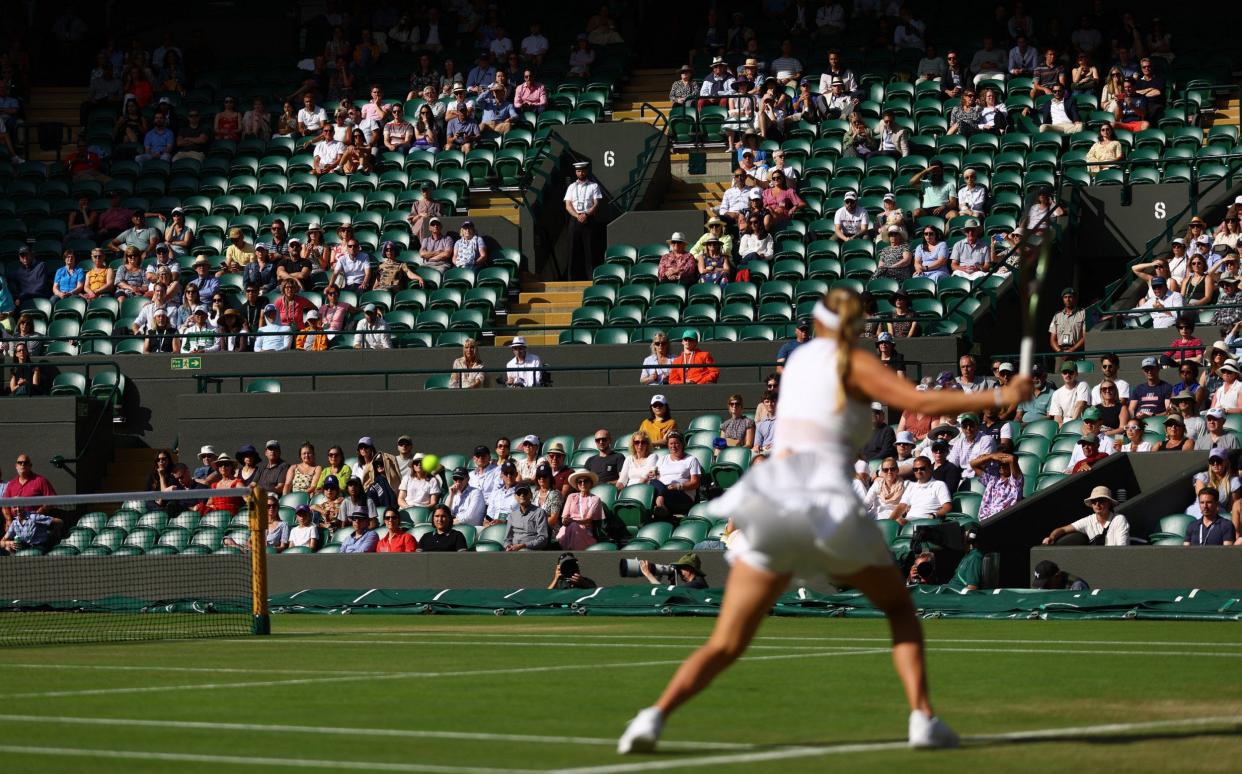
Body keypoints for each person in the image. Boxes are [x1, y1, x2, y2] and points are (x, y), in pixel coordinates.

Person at [1043, 486, 1130, 546]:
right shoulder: (1088, 520)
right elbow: (1063, 529)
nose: (1097, 504)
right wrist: (1051, 538)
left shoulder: (1119, 519)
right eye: (1094, 501)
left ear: (1109, 503)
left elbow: (1122, 549)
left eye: (1101, 500)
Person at [563, 160, 603, 280]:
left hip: (588, 219)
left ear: (587, 171)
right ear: (576, 172)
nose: (581, 173)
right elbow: (568, 205)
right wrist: (577, 215)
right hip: (575, 220)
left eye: (583, 170)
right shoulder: (571, 187)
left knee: (589, 249)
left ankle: (591, 277)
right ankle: (572, 278)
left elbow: (596, 204)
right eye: (578, 171)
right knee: (573, 249)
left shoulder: (593, 186)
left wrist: (586, 214)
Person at [650, 432, 701, 518]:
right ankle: (660, 503)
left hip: (682, 494)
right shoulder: (662, 459)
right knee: (653, 482)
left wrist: (678, 486)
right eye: (671, 443)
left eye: (676, 443)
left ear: (682, 444)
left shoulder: (691, 460)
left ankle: (660, 503)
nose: (673, 446)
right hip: (665, 491)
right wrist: (653, 475)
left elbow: (696, 483)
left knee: (658, 494)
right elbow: (657, 479)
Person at [2, 453, 57, 525]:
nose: (22, 465)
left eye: (25, 463)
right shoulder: (11, 484)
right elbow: (5, 505)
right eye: (20, 463)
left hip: (36, 523)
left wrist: (36, 514)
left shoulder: (41, 481)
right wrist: (9, 520)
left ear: (30, 466)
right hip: (16, 524)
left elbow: (52, 500)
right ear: (16, 466)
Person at [557, 470, 602, 550]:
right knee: (571, 527)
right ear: (577, 485)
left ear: (591, 483)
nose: (583, 484)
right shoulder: (571, 496)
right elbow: (564, 517)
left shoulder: (595, 499)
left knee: (574, 526)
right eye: (580, 482)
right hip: (568, 527)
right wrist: (565, 521)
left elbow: (588, 520)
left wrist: (574, 522)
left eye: (586, 481)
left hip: (585, 530)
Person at [973, 451, 1023, 521]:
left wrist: (1001, 457)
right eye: (1000, 463)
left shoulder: (1015, 482)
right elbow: (973, 464)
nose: (1001, 465)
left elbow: (1012, 459)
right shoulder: (992, 479)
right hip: (984, 521)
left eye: (1005, 463)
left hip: (1002, 520)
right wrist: (990, 456)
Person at [1049, 360, 1089, 425]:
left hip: (1080, 422)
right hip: (1064, 424)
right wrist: (1060, 426)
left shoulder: (1082, 385)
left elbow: (1080, 405)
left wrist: (1070, 425)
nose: (1068, 375)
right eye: (1065, 372)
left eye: (1071, 372)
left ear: (1076, 374)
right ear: (1062, 374)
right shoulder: (1056, 393)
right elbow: (1057, 417)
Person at [640, 553, 709, 590]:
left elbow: (666, 592)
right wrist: (672, 582)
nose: (678, 571)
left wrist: (648, 574)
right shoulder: (698, 582)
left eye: (680, 568)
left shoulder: (697, 584)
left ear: (689, 569)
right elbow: (674, 596)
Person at [1049, 288, 1085, 354]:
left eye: (1070, 297)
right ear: (1063, 299)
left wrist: (1072, 350)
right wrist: (1060, 352)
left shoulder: (1082, 313)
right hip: (1060, 352)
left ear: (1074, 298)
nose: (1067, 299)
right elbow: (1052, 340)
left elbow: (1085, 337)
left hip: (1076, 352)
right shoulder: (1057, 316)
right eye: (1065, 297)